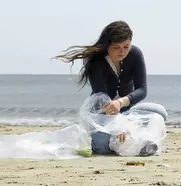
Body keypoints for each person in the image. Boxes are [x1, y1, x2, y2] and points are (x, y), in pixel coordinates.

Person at [53, 21, 169, 155]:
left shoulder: (135, 54)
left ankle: (139, 141)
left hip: (129, 111)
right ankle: (133, 142)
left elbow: (142, 90)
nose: (122, 51)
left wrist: (121, 103)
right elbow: (101, 97)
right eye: (116, 47)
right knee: (101, 145)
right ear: (107, 45)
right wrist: (119, 125)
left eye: (126, 46)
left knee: (160, 113)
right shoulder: (96, 60)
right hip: (102, 114)